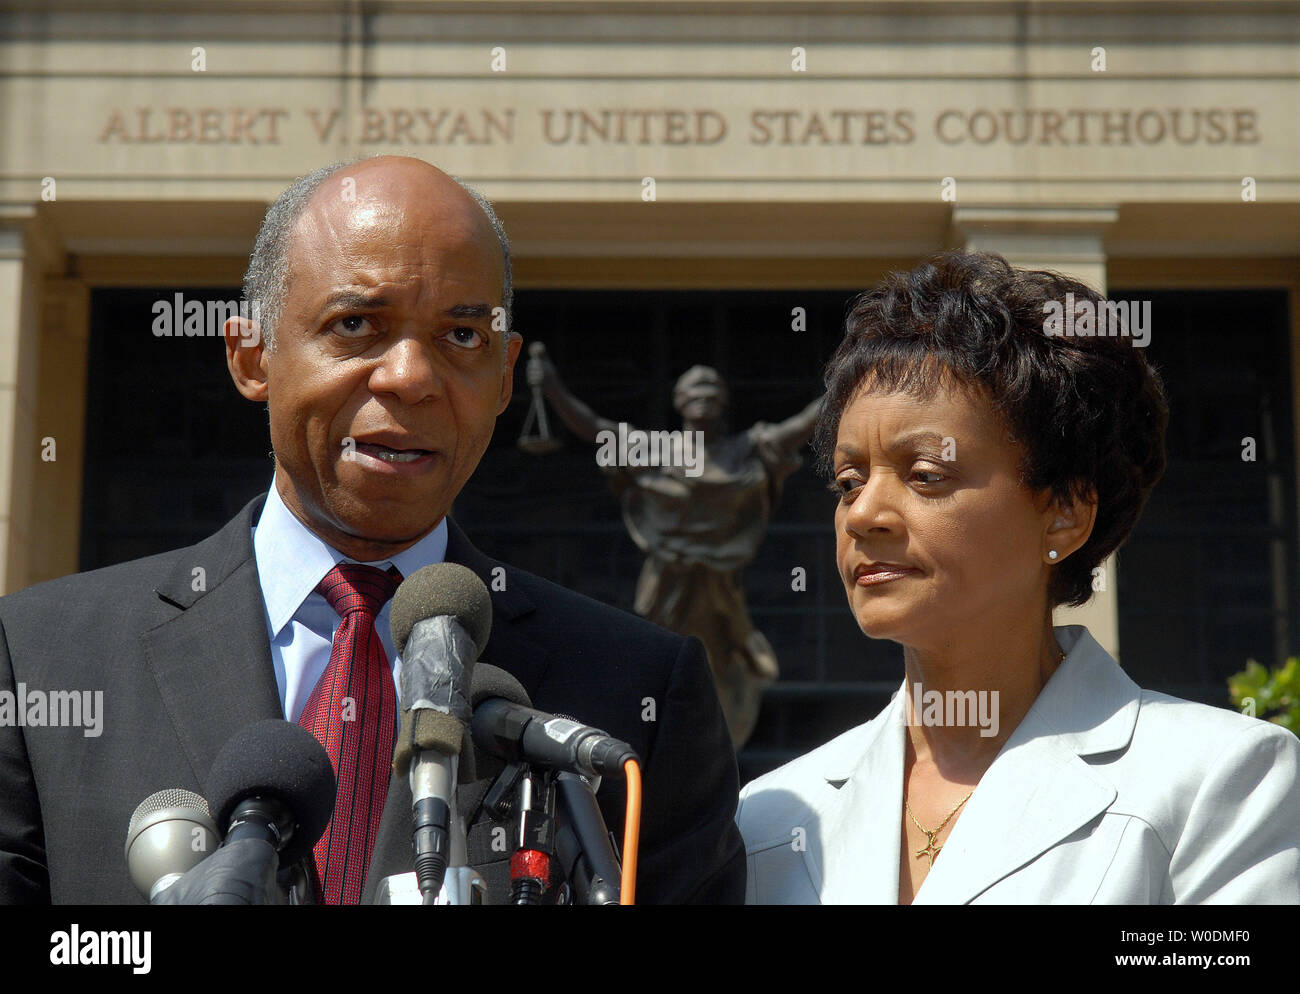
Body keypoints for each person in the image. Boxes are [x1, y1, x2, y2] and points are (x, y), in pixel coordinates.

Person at [0, 155, 744, 904]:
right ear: (251, 354)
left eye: (462, 335)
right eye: (356, 324)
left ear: (506, 378)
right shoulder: (42, 662)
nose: (410, 376)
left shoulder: (638, 696)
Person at [737, 250, 1300, 904]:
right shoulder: (772, 819)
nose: (862, 514)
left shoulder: (1223, 780)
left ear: (1064, 512)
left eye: (926, 475)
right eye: (848, 481)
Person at [527, 345, 820, 746]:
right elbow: (594, 427)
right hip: (665, 582)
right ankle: (657, 740)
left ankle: (717, 744)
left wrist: (855, 369)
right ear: (679, 403)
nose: (703, 400)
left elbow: (802, 425)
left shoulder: (743, 450)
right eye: (694, 393)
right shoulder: (658, 450)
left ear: (723, 404)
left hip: (718, 585)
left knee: (721, 666)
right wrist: (552, 388)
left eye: (711, 393)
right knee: (657, 657)